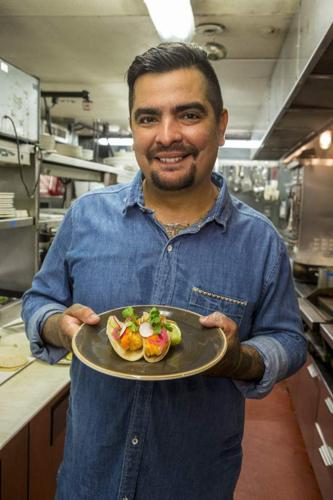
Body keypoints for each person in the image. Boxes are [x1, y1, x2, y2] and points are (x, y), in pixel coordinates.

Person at [22, 43, 307, 500]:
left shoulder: (260, 241)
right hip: (88, 481)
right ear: (134, 126)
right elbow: (39, 301)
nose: (167, 135)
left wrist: (241, 359)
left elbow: (290, 339)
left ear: (222, 124)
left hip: (194, 484)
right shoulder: (85, 219)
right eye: (148, 117)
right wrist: (58, 327)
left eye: (189, 115)